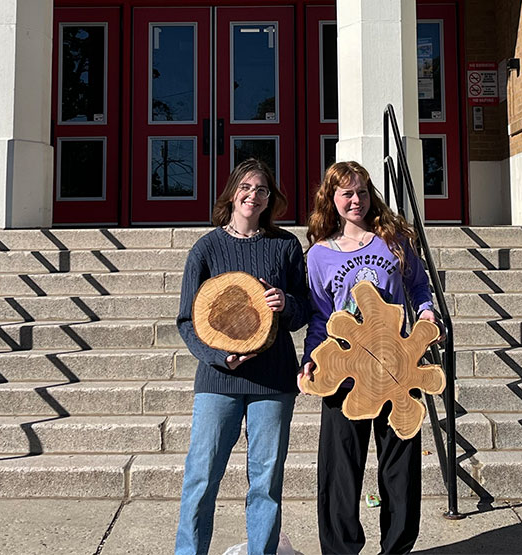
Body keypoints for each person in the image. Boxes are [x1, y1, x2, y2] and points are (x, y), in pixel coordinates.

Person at [300, 161, 443, 554]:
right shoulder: (318, 255)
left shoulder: (393, 240)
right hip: (345, 372)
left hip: (397, 369)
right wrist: (311, 357)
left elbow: (418, 285)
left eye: (362, 191)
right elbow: (318, 315)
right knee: (340, 470)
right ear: (331, 198)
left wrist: (427, 311)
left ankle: (396, 548)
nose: (356, 200)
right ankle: (341, 550)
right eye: (346, 193)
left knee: (399, 468)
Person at [175, 158, 310, 555]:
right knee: (201, 476)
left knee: (266, 480)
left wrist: (285, 302)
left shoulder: (285, 245)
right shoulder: (207, 248)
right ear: (232, 193)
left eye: (262, 189)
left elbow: (303, 312)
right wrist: (217, 356)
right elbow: (187, 320)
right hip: (218, 380)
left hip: (274, 380)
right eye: (246, 187)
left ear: (271, 198)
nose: (253, 195)